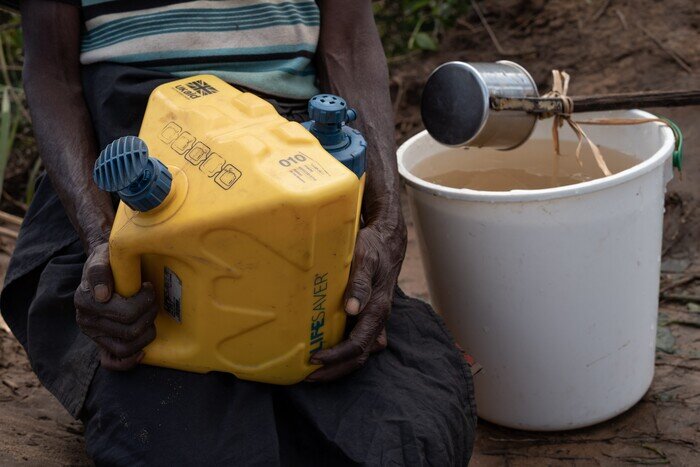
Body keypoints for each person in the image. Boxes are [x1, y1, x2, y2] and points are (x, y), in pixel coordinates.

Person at [1, 1, 476, 464]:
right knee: (185, 430)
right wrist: (107, 244)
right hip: (129, 161)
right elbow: (53, 76)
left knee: (406, 428)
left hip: (290, 154)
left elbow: (348, 45)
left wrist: (383, 224)